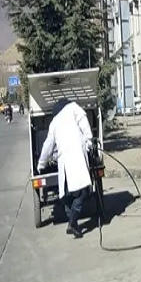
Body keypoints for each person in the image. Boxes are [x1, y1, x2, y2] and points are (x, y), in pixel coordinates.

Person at [36, 98, 94, 239]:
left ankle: (72, 223)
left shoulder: (54, 122)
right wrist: (89, 141)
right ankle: (72, 223)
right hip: (77, 157)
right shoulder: (74, 108)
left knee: (66, 196)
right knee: (83, 193)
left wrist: (41, 164)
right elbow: (85, 124)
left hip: (65, 162)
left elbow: (48, 145)